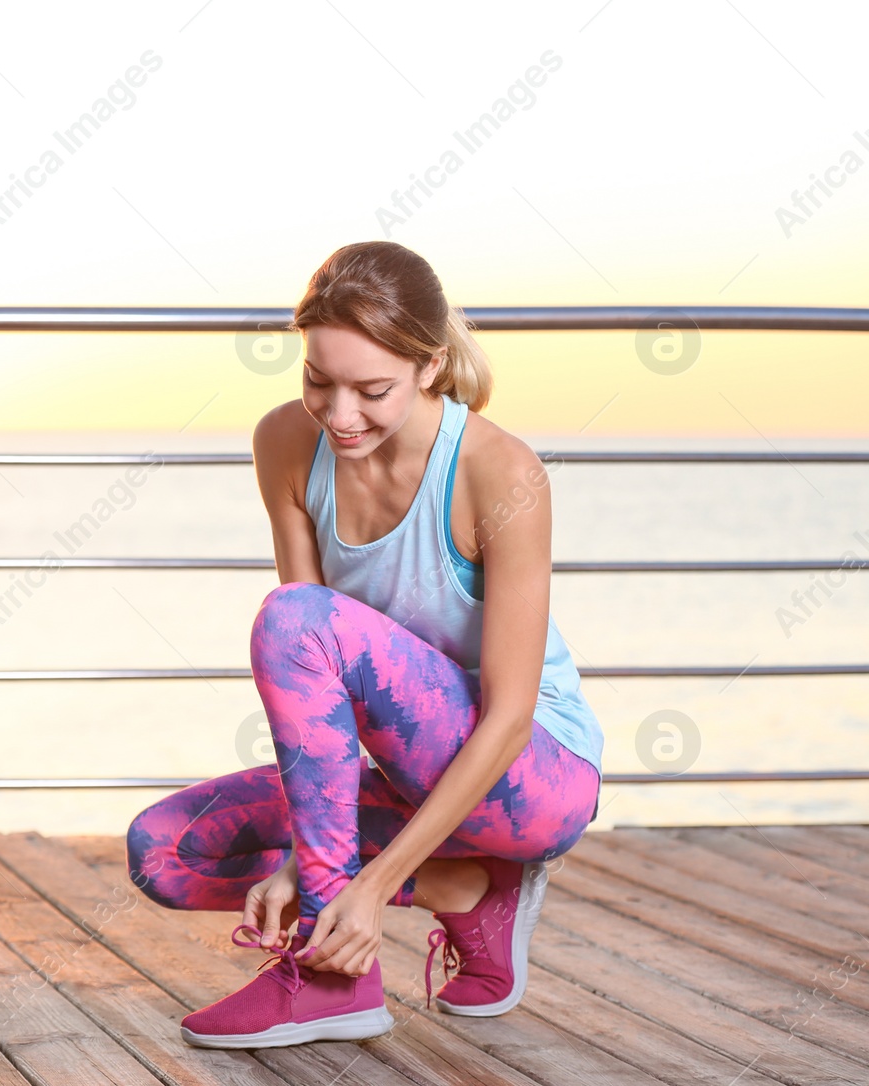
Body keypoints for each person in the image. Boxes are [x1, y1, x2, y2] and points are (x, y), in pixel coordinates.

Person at [124, 240, 604, 1050]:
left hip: (533, 777)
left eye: (371, 390)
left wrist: (368, 885)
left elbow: (511, 715)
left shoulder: (498, 471)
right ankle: (467, 890)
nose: (341, 416)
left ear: (429, 366)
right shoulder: (284, 445)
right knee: (165, 851)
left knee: (291, 614)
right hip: (404, 777)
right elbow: (314, 686)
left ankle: (333, 981)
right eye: (319, 381)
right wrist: (311, 861)